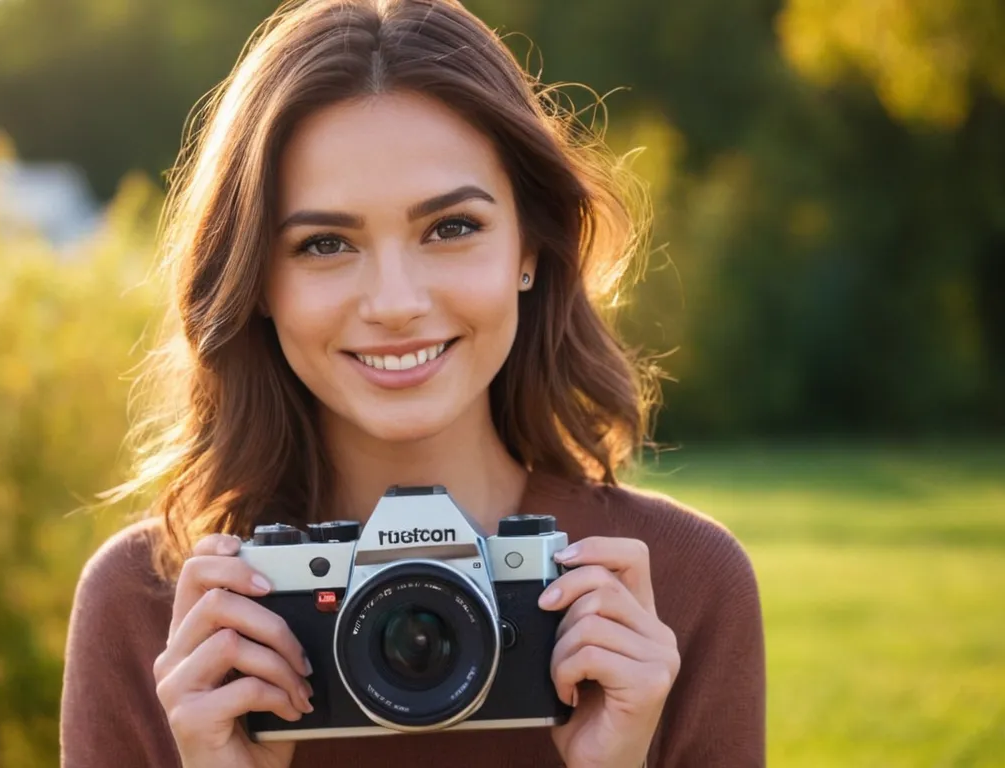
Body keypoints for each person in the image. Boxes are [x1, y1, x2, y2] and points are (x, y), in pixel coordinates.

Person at [59, 0, 766, 765]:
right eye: (324, 243)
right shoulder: (157, 612)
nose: (396, 303)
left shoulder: (675, 589)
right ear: (256, 281)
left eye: (452, 228)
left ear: (530, 244)